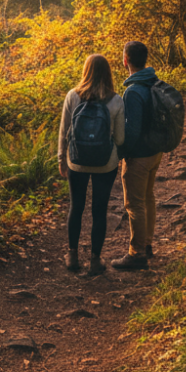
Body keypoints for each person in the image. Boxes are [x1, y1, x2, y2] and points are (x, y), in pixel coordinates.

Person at [58, 53, 125, 276]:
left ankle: (72, 255)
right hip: (106, 164)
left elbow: (64, 131)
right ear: (108, 73)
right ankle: (95, 260)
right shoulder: (116, 100)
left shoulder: (72, 96)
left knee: (76, 207)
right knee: (99, 210)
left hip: (76, 162)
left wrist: (61, 158)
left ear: (85, 70)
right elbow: (120, 139)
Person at [111, 40, 162, 271]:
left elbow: (130, 131)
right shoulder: (153, 81)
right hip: (155, 152)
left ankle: (137, 253)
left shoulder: (132, 91)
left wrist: (121, 153)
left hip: (139, 156)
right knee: (148, 197)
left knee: (135, 204)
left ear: (125, 60)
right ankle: (147, 244)